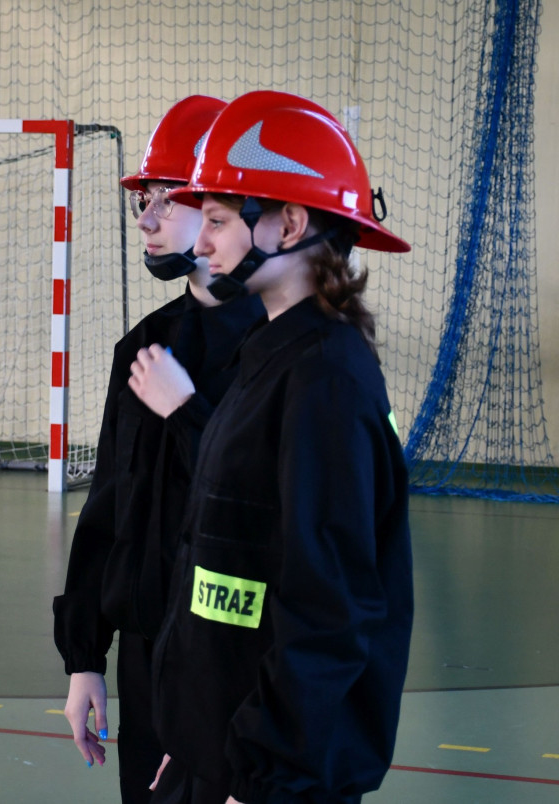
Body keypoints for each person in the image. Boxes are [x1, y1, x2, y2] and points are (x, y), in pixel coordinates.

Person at [128, 90, 414, 804]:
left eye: (218, 220)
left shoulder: (325, 382)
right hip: (220, 754)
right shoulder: (271, 356)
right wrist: (191, 741)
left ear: (288, 223)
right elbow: (228, 563)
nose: (200, 243)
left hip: (268, 779)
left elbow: (327, 611)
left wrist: (264, 778)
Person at [52, 96, 265, 804]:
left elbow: (264, 513)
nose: (145, 220)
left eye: (168, 199)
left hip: (236, 659)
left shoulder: (281, 353)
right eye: (143, 200)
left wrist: (189, 413)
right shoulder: (142, 347)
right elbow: (111, 507)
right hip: (149, 657)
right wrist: (85, 656)